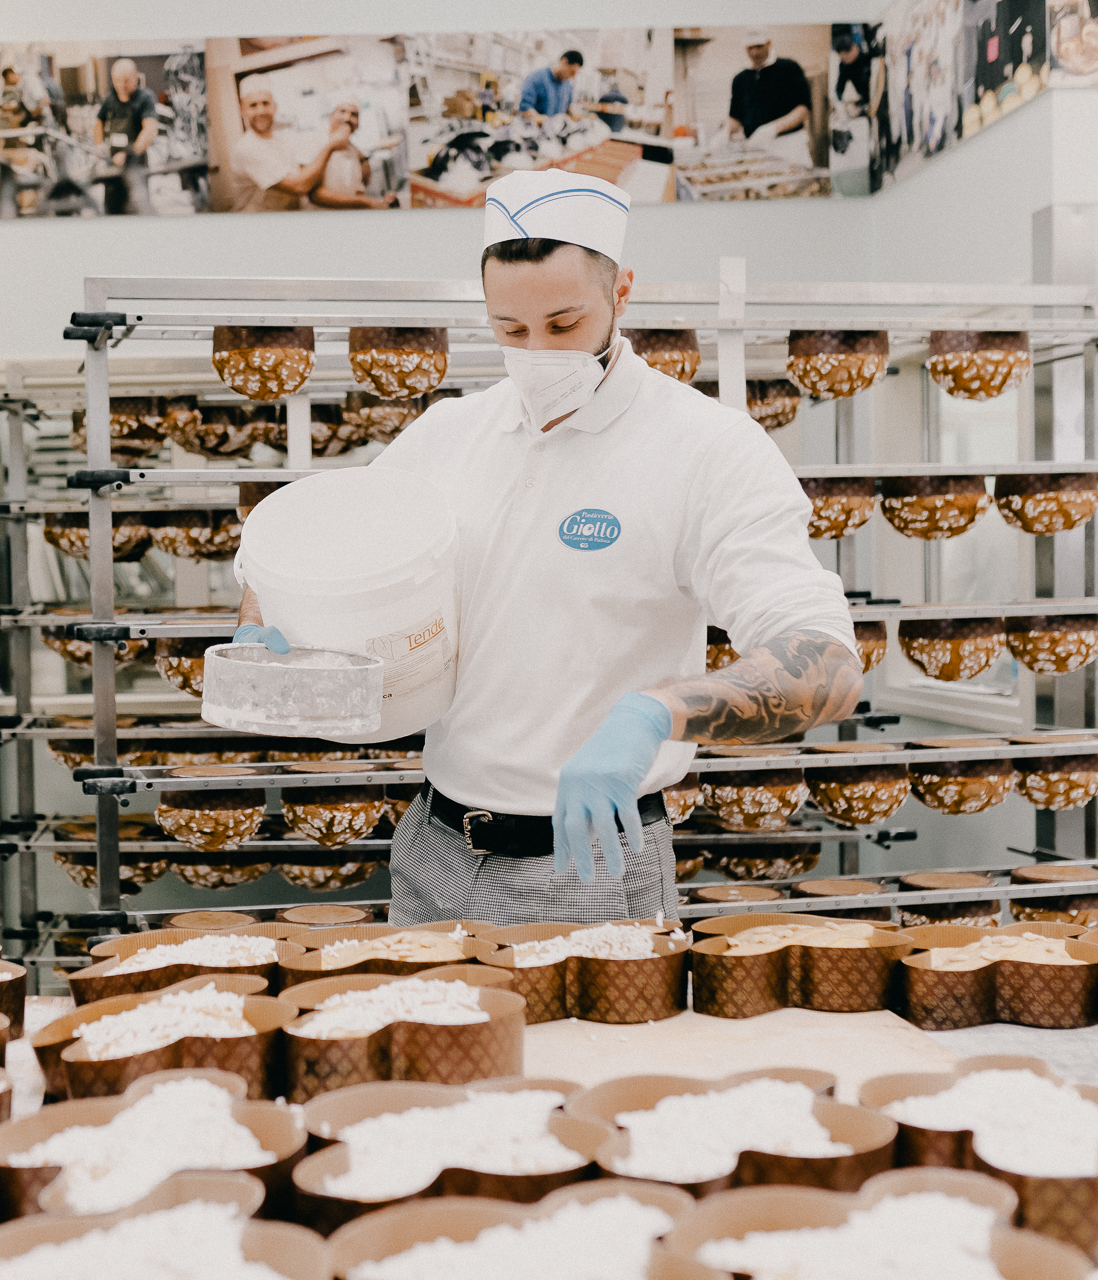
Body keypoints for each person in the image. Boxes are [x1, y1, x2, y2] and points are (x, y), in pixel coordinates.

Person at [234, 169, 860, 926]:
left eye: (563, 326)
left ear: (622, 292)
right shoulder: (447, 436)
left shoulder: (706, 451)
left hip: (589, 864)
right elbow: (319, 554)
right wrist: (266, 613)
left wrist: (655, 714)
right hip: (433, 851)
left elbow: (826, 666)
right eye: (510, 330)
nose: (537, 352)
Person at [224, 74, 355, 212]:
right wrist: (331, 145)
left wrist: (359, 155)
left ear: (274, 107)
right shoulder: (247, 148)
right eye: (253, 105)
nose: (261, 111)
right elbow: (300, 186)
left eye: (265, 103)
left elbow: (308, 164)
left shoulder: (283, 139)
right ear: (242, 110)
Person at [724, 30, 813, 163]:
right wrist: (724, 133)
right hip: (758, 149)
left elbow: (802, 110)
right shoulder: (740, 79)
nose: (754, 52)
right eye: (750, 48)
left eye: (759, 46)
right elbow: (736, 117)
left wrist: (772, 129)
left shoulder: (789, 68)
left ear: (769, 43)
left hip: (790, 146)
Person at [95, 57, 160, 216]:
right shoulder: (110, 99)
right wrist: (98, 145)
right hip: (113, 164)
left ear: (136, 78)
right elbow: (98, 123)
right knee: (112, 209)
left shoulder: (145, 99)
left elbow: (150, 130)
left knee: (137, 208)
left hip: (135, 165)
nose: (121, 85)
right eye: (117, 81)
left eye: (125, 81)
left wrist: (129, 153)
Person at [308, 100, 391, 209]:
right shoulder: (316, 143)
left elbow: (357, 192)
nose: (347, 118)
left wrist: (382, 201)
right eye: (342, 111)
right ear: (330, 117)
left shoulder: (354, 151)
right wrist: (368, 202)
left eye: (354, 114)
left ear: (358, 124)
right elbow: (315, 195)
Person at [517, 51, 589, 123]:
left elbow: (570, 106)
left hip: (557, 131)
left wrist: (581, 118)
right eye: (572, 72)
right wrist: (544, 122)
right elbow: (525, 109)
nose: (573, 77)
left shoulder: (567, 85)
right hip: (535, 131)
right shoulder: (536, 78)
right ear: (564, 62)